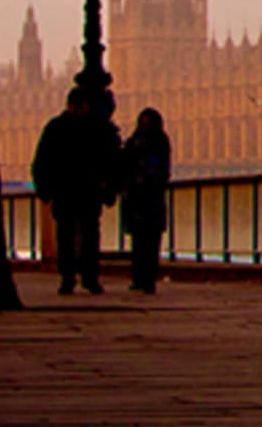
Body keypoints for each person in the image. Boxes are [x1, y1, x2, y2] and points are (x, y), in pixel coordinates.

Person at [31, 88, 122, 296]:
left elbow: (111, 162)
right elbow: (43, 161)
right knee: (68, 236)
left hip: (85, 191)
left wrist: (109, 188)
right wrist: (44, 188)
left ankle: (87, 277)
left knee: (87, 235)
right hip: (68, 191)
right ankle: (69, 277)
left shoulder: (62, 128)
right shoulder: (64, 128)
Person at [120, 107, 171, 294]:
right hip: (141, 198)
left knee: (147, 241)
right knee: (142, 241)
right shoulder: (146, 141)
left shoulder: (152, 142)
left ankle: (145, 278)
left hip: (147, 198)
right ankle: (141, 278)